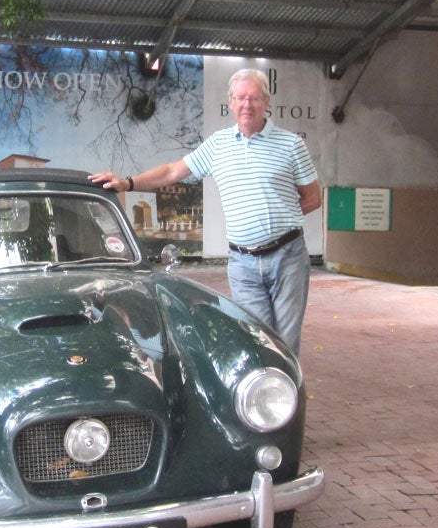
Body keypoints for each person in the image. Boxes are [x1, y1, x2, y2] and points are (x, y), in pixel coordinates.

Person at [90, 68, 322, 356]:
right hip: (242, 263)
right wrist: (127, 183)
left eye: (253, 98)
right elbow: (173, 171)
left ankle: (288, 398)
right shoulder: (218, 145)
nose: (246, 104)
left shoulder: (291, 145)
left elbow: (313, 197)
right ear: (231, 102)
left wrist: (277, 219)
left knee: (286, 342)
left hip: (287, 257)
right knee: (257, 338)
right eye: (240, 98)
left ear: (267, 101)